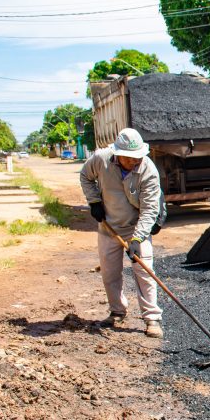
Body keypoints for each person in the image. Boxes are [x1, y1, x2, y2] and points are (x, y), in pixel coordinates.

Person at [80, 128, 165, 338]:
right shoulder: (101, 160)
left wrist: (137, 238)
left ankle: (151, 318)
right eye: (130, 159)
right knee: (110, 273)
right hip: (109, 228)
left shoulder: (148, 170)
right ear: (118, 154)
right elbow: (85, 176)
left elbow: (149, 210)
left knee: (145, 272)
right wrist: (94, 202)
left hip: (137, 229)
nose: (135, 162)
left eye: (138, 158)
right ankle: (117, 311)